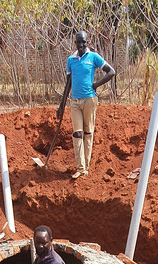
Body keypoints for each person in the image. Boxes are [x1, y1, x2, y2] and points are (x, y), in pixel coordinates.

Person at [57, 31, 115, 179]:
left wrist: (96, 85)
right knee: (77, 133)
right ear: (75, 43)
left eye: (84, 42)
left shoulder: (93, 57)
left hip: (89, 100)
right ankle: (80, 168)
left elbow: (111, 72)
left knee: (88, 133)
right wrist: (62, 105)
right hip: (75, 101)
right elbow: (68, 83)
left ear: (87, 42)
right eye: (78, 42)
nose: (81, 45)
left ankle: (86, 167)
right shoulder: (71, 59)